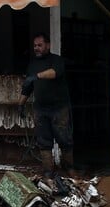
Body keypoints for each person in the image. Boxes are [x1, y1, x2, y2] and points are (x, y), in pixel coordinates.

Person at [18, 32, 74, 176]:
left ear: (48, 45)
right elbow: (27, 87)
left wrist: (36, 77)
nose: (36, 48)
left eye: (40, 45)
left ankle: (69, 168)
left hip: (59, 108)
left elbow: (55, 73)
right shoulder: (32, 64)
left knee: (64, 140)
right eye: (35, 46)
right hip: (40, 109)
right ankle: (48, 171)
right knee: (44, 142)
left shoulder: (57, 60)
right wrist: (21, 104)